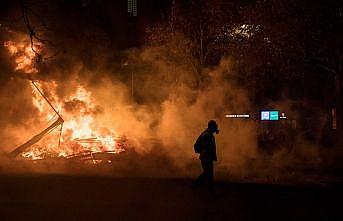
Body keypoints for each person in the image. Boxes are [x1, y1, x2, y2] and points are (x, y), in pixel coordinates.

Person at [192, 120, 219, 192]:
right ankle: (208, 189)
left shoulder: (207, 134)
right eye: (215, 126)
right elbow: (207, 146)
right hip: (206, 157)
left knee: (207, 173)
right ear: (212, 126)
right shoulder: (207, 135)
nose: (216, 127)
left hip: (206, 157)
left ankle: (197, 185)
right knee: (208, 173)